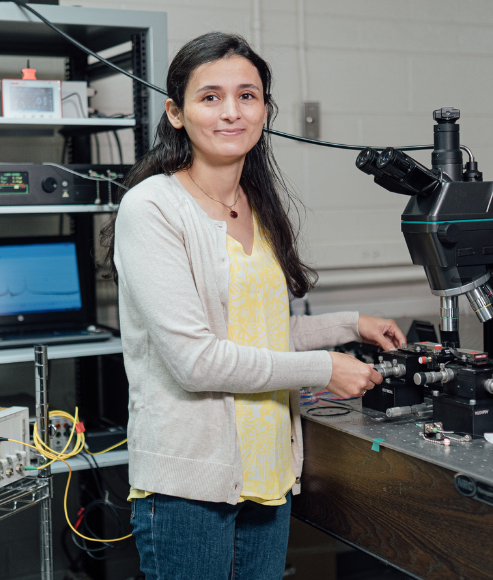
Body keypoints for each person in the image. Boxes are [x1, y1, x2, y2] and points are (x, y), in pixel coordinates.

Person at [101, 32, 406, 579]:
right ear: (176, 112)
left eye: (247, 95)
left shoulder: (256, 204)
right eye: (210, 96)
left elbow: (254, 331)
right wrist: (324, 368)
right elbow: (197, 361)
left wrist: (347, 325)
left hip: (267, 472)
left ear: (266, 109)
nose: (231, 112)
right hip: (188, 488)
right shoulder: (152, 208)